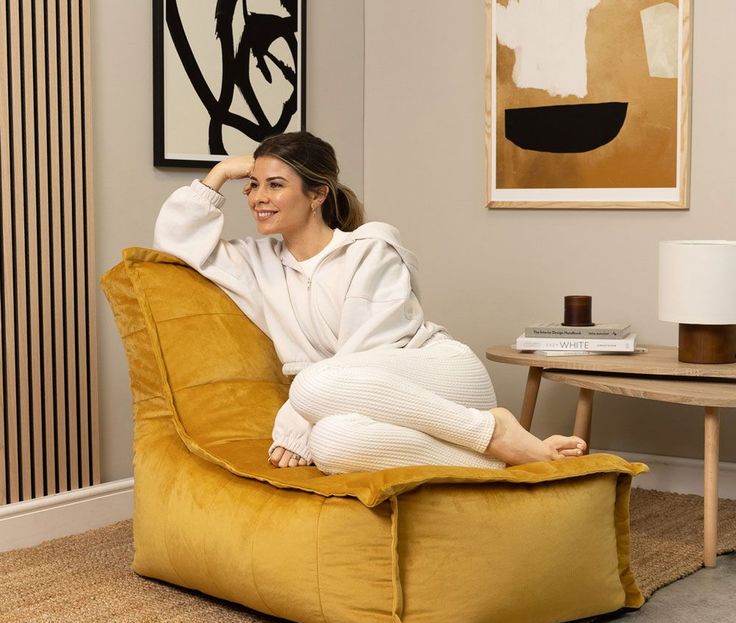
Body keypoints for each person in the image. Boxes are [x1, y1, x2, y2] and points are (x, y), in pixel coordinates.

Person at [153, 131, 586, 473]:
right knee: (333, 445)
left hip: (440, 377)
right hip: (350, 399)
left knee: (309, 385)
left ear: (318, 194)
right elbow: (175, 242)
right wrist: (221, 172)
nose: (258, 197)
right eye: (252, 186)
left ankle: (489, 428)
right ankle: (500, 457)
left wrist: (297, 418)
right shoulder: (256, 262)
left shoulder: (369, 249)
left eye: (276, 185)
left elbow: (363, 356)